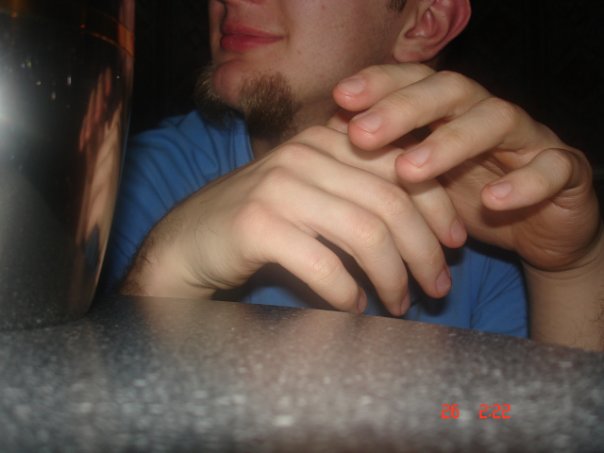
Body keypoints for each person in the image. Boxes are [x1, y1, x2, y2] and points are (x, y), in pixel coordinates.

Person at [101, 0, 604, 351]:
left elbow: (524, 424)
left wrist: (569, 270)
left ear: (424, 23)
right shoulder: (125, 179)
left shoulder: (494, 214)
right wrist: (164, 274)